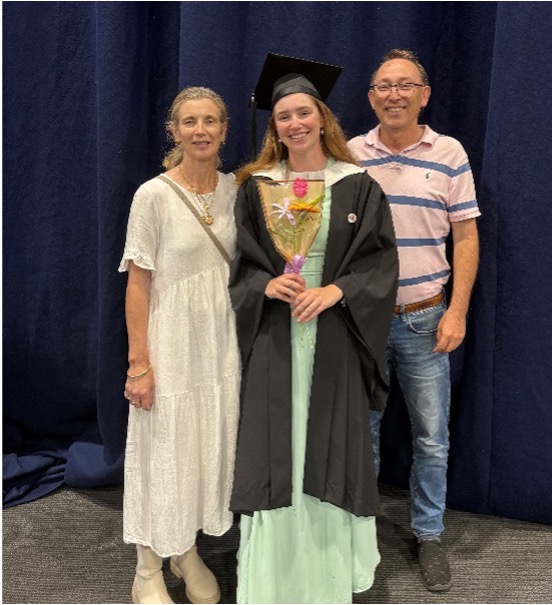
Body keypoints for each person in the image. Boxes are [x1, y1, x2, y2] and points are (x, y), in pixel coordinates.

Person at [228, 53, 398, 604]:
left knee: (330, 441)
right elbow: (242, 265)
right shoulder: (257, 187)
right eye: (283, 116)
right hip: (276, 335)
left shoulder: (357, 185)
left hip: (334, 331)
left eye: (303, 112)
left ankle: (325, 580)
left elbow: (379, 262)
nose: (294, 123)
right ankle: (274, 583)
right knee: (276, 443)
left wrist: (336, 290)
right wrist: (266, 285)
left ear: (323, 118)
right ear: (274, 127)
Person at [348, 49, 480, 592]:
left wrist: (458, 310)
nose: (394, 95)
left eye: (405, 85)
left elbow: (465, 236)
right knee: (363, 436)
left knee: (431, 438)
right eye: (383, 86)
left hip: (427, 319)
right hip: (364, 322)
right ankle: (360, 540)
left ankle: (429, 535)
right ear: (371, 97)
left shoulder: (449, 153)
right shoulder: (352, 154)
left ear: (424, 95)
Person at [119, 87, 240, 604]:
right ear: (174, 131)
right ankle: (147, 569)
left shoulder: (236, 189)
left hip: (219, 345)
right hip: (169, 345)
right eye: (189, 121)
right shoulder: (152, 195)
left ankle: (184, 549)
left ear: (224, 130)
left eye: (210, 120)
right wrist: (139, 364)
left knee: (201, 450)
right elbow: (137, 283)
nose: (200, 130)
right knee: (163, 450)